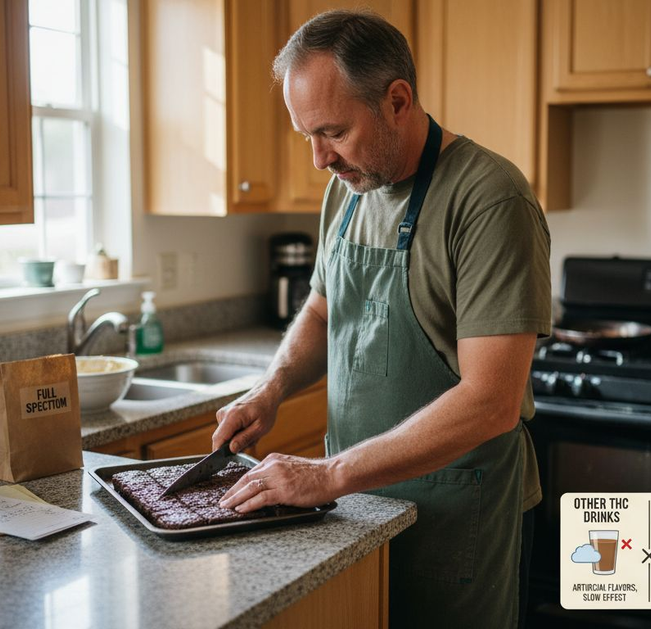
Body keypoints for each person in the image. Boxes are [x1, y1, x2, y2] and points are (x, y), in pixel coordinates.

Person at [213, 9, 554, 628]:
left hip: (457, 515)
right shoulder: (349, 186)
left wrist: (329, 473)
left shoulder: (489, 198)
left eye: (334, 132)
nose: (319, 158)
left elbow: (492, 401)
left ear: (397, 100)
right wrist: (272, 389)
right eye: (307, 135)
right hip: (353, 506)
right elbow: (322, 308)